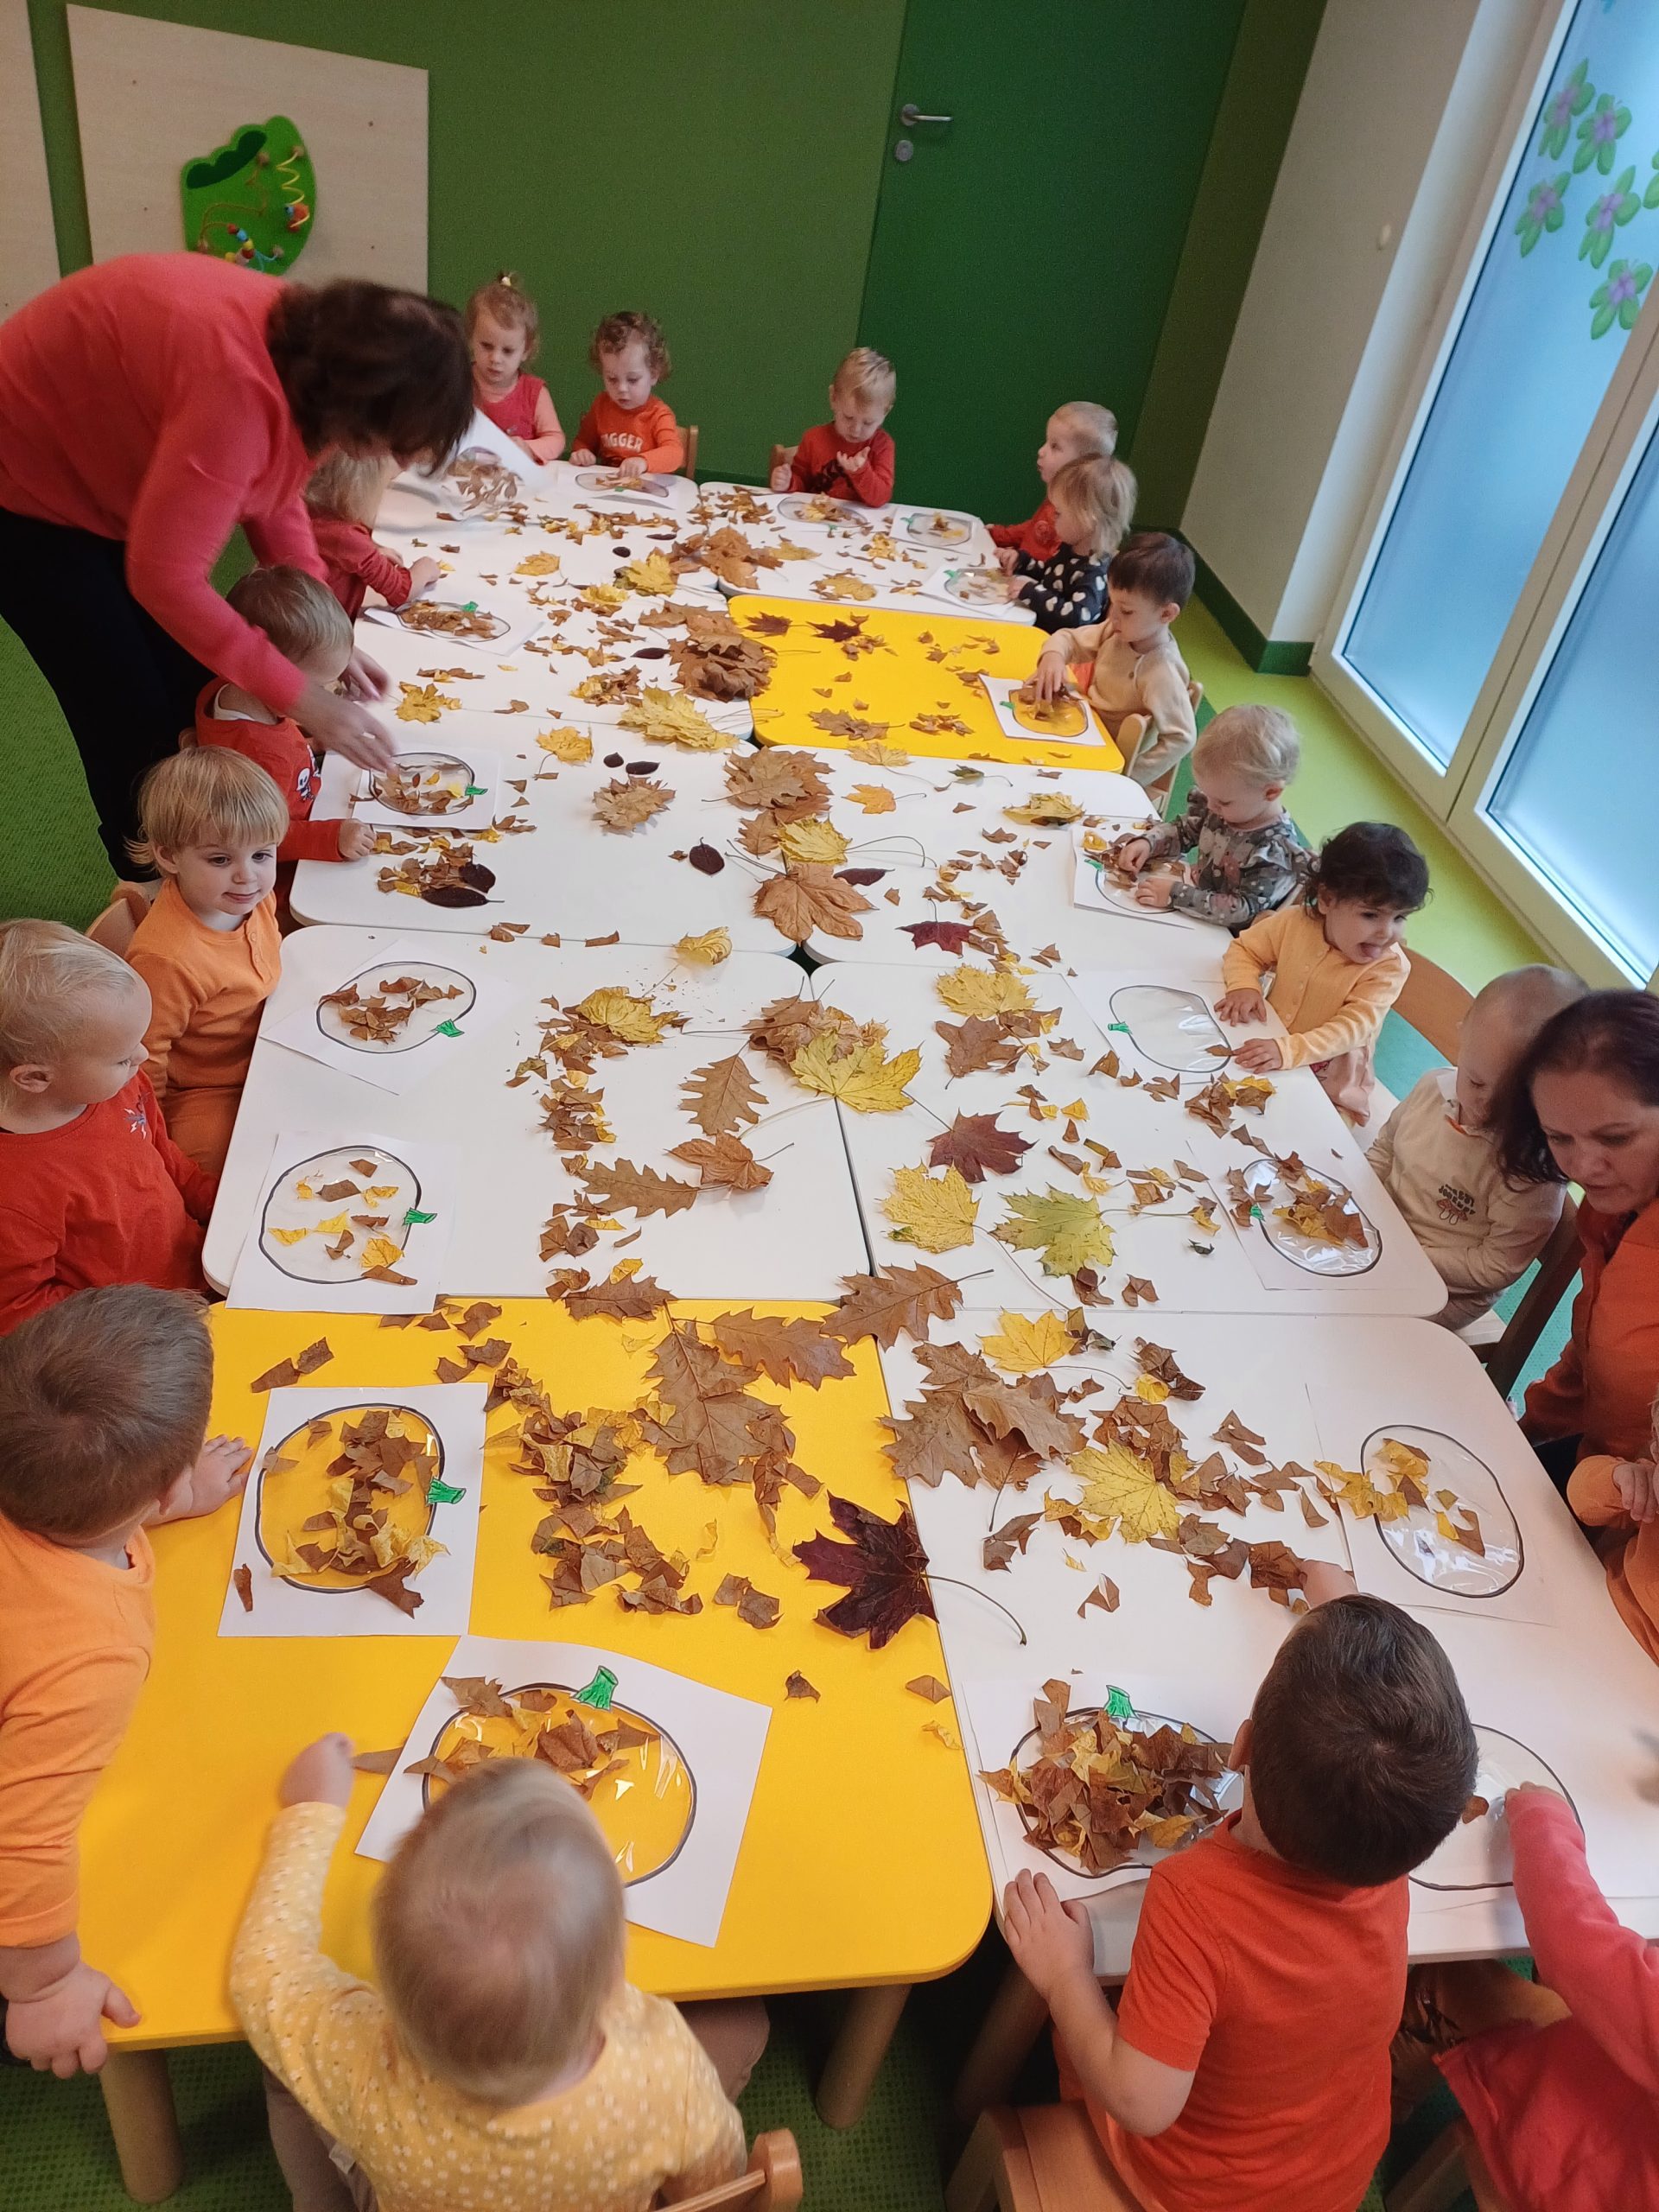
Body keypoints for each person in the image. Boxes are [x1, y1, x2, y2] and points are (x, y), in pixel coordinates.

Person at [1002, 1577, 1476, 2212]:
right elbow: (1381, 1741)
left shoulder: (1195, 1902)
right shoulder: (1383, 1848)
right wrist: (1337, 1607)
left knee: (1067, 2019)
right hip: (1334, 2176)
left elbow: (1141, 2102)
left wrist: (1065, 1976)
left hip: (1200, 2192)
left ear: (1241, 1746)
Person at [0, 257, 473, 878]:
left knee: (200, 689)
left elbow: (277, 487)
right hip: (22, 482)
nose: (400, 461)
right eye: (396, 443)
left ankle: (208, 855)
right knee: (127, 707)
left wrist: (328, 636)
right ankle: (152, 886)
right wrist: (306, 699)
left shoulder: (319, 355)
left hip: (101, 459)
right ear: (363, 410)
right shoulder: (237, 394)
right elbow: (165, 579)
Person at [234, 1742, 763, 2212]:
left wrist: (311, 1811)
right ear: (615, 1976)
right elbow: (718, 2187)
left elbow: (263, 1970)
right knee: (744, 2021)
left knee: (282, 2069)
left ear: (388, 1989)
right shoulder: (665, 2075)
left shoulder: (362, 2065)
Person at [0, 1286, 250, 2075]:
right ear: (162, 1486)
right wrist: (43, 1988)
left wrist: (156, 1505)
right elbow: (24, 1841)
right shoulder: (92, 1652)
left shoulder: (35, 1483)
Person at [1393, 1783, 1659, 2210]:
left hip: (1568, 2168)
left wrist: (1541, 1815)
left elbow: (1572, 1943)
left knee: (1447, 1978)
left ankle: (1379, 2105)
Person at [0, 924, 214, 1332]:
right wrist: (143, 1322)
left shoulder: (116, 1085)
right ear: (35, 1077)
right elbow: (20, 1309)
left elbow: (163, 1155)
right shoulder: (12, 1196)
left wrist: (219, 1205)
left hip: (201, 1267)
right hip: (141, 1332)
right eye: (122, 1057)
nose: (143, 1056)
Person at [1497, 989, 1659, 1485]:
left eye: (1615, 1138)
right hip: (1595, 1465)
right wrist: (1528, 1434)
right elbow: (1591, 1351)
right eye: (1559, 1137)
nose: (1583, 1168)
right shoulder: (1613, 1211)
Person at [1369, 966, 1586, 1331]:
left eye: (1515, 1102)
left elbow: (1496, 1267)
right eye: (1475, 1082)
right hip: (1384, 1239)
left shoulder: (1529, 1176)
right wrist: (1360, 1199)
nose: (1485, 1108)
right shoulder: (1433, 1087)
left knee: (1357, 1323)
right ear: (1463, 1035)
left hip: (1449, 1291)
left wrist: (1407, 1253)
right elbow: (1385, 1148)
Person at [126, 751, 283, 1177]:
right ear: (169, 856)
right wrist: (155, 1137)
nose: (247, 876)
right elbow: (145, 1058)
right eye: (220, 859)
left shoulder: (250, 899)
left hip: (267, 1044)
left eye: (262, 855)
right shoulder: (167, 958)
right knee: (221, 1179)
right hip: (203, 1089)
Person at [1216, 821, 1427, 1123]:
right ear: (1327, 900)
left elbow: (1351, 1030)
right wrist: (1244, 985)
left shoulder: (1388, 967)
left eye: (1400, 917)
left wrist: (1286, 1052)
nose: (1386, 932)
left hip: (1333, 1093)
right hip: (1269, 1048)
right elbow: (1245, 949)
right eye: (1370, 915)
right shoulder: (1295, 922)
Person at [195, 568, 376, 868]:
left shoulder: (235, 695)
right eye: (315, 689)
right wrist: (333, 838)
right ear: (270, 673)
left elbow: (282, 748)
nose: (322, 700)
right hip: (291, 871)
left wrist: (313, 744)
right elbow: (259, 840)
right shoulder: (258, 756)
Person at [1027, 532, 1198, 790]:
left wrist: (1128, 778)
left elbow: (1182, 738)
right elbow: (1068, 639)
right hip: (1085, 731)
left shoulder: (1161, 670)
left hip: (1104, 761)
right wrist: (1054, 657)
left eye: (1126, 611)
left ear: (1166, 614)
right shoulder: (1117, 631)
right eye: (1112, 603)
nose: (1112, 616)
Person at [1110, 703, 1306, 929]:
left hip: (1227, 938)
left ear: (1270, 792)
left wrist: (1177, 895)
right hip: (1195, 908)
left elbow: (1243, 911)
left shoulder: (1275, 851)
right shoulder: (1226, 803)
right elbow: (1185, 830)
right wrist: (1149, 843)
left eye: (1223, 802)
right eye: (1208, 795)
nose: (1211, 807)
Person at [304, 454, 441, 622]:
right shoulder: (348, 535)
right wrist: (424, 570)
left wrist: (373, 552)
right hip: (331, 627)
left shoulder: (311, 514)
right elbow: (401, 591)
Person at [1006, 455, 1135, 632]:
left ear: (1087, 520)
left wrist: (1032, 593)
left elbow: (1078, 616)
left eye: (1058, 513)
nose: (1053, 518)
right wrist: (1023, 562)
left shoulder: (1093, 571)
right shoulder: (1070, 549)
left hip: (1061, 646)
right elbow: (1051, 577)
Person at [990, 401, 1118, 567]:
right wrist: (1000, 535)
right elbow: (1036, 530)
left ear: (1081, 465)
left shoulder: (1076, 519)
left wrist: (1019, 560)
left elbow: (1053, 565)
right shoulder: (1057, 498)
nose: (1041, 451)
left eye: (1055, 446)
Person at [768, 348, 897, 507]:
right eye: (848, 417)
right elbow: (801, 483)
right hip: (814, 518)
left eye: (868, 423)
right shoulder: (813, 439)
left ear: (886, 412)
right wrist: (788, 482)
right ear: (833, 398)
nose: (856, 430)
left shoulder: (882, 446)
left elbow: (881, 498)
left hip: (860, 522)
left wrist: (861, 472)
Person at [569, 312, 683, 480]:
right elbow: (583, 442)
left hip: (645, 489)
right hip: (609, 487)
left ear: (653, 375)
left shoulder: (659, 414)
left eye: (632, 380)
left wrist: (643, 461)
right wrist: (582, 452)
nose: (622, 388)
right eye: (612, 379)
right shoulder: (601, 405)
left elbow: (674, 454)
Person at [466, 273, 565, 464]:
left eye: (508, 351)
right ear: (471, 339)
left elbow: (556, 439)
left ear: (526, 350)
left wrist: (528, 448)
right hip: (466, 476)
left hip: (517, 478)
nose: (495, 359)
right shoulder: (459, 383)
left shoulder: (534, 392)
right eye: (486, 346)